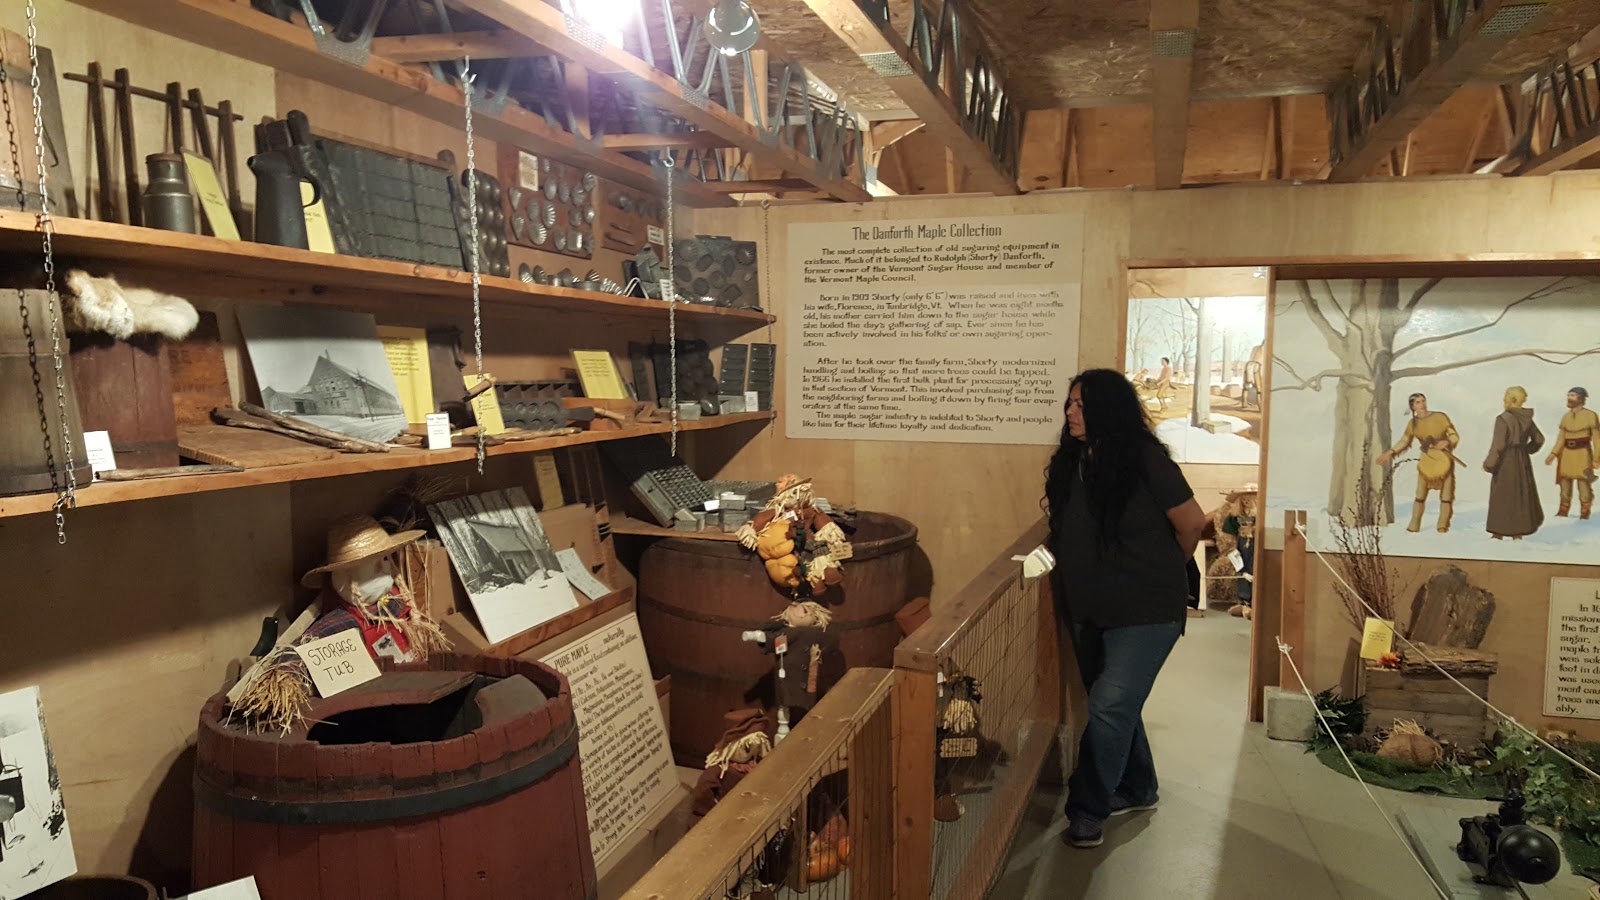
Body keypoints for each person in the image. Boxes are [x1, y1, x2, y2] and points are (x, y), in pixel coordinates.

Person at [1044, 369, 1206, 849]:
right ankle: (1138, 787)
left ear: (1107, 410)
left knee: (1110, 705)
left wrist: (1166, 566)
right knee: (1115, 705)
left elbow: (1192, 523)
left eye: (1081, 405)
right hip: (1088, 607)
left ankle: (1087, 809)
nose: (1070, 412)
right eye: (1070, 404)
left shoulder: (1143, 459)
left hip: (1147, 609)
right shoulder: (1072, 462)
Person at [1377, 393, 1461, 533]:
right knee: (1420, 496)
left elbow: (1454, 435)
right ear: (1413, 407)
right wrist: (1390, 452)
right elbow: (1405, 440)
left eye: (1423, 401)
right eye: (1417, 402)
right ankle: (1414, 525)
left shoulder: (1440, 417)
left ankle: (1442, 526)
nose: (1422, 404)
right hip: (1426, 461)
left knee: (1446, 497)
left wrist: (1447, 441)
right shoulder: (1413, 424)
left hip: (1444, 460)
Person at [1482, 386, 1544, 540]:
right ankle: (1518, 533)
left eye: (1506, 397)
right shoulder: (1527, 418)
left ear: (1512, 399)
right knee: (1520, 494)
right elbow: (1539, 439)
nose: (1504, 400)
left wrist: (1489, 464)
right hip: (1522, 461)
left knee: (1502, 494)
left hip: (1505, 462)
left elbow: (1498, 445)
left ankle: (1498, 532)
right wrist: (1526, 450)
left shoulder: (1503, 418)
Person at [1546, 386, 1600, 520]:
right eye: (1568, 395)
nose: (1569, 398)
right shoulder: (1566, 417)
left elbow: (1596, 439)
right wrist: (1553, 454)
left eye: (1572, 395)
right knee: (1565, 485)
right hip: (1567, 456)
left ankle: (1585, 512)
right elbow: (1561, 438)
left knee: (1584, 485)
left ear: (1581, 398)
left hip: (1583, 455)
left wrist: (1596, 458)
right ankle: (1563, 511)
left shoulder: (1591, 415)